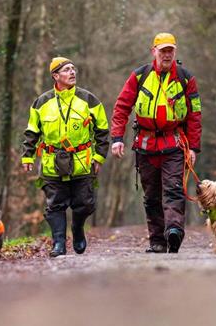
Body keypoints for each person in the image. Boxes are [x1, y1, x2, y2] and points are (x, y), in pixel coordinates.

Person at [110, 33, 202, 253]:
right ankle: (158, 241)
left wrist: (194, 148)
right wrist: (116, 138)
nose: (167, 54)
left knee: (174, 189)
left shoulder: (186, 78)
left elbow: (195, 115)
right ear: (154, 52)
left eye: (170, 50)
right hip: (146, 144)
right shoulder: (139, 76)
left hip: (175, 143)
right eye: (163, 51)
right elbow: (122, 107)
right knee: (151, 195)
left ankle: (174, 231)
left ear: (175, 52)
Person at [22, 57, 110, 257]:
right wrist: (27, 157)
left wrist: (99, 157)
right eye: (67, 70)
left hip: (82, 162)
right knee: (55, 205)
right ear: (55, 76)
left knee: (85, 203)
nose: (72, 72)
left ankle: (78, 229)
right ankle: (59, 244)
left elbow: (103, 130)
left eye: (73, 69)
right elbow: (31, 132)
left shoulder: (89, 99)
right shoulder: (41, 102)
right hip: (52, 163)